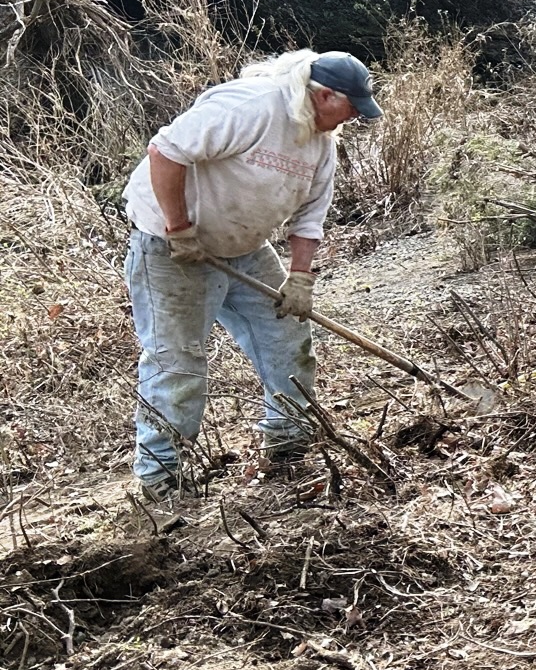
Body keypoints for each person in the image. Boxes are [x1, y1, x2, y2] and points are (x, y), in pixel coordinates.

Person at [122, 50, 380, 500]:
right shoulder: (252, 106)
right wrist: (180, 229)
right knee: (177, 360)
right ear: (322, 95)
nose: (355, 116)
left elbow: (309, 218)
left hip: (244, 248)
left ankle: (288, 445)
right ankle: (160, 478)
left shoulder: (321, 144)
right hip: (170, 248)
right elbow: (165, 151)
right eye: (351, 105)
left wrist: (300, 278)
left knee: (287, 338)